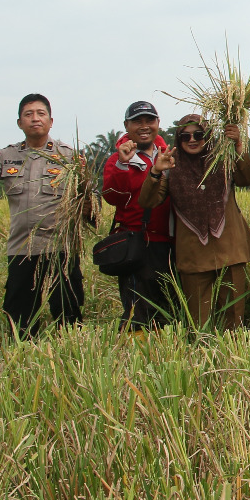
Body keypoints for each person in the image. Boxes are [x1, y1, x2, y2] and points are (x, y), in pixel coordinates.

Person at [0, 94, 90, 334]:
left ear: (51, 121)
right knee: (19, 315)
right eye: (28, 115)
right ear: (19, 123)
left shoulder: (69, 157)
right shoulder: (7, 156)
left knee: (68, 310)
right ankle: (22, 353)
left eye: (40, 114)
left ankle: (72, 352)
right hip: (22, 247)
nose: (35, 119)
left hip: (60, 246)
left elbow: (86, 203)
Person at [141, 115, 250, 330]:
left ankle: (233, 359)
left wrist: (238, 148)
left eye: (199, 134)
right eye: (185, 136)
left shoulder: (222, 160)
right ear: (178, 139)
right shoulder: (171, 167)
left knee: (233, 318)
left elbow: (247, 179)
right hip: (193, 256)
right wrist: (156, 172)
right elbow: (148, 201)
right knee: (198, 322)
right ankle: (201, 360)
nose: (192, 139)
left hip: (230, 249)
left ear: (209, 136)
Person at [101, 100, 175, 330]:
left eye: (149, 120)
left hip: (172, 243)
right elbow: (112, 196)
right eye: (137, 121)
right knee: (139, 309)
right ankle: (136, 356)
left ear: (158, 123)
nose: (144, 126)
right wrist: (123, 164)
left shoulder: (169, 154)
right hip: (139, 243)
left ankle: (167, 352)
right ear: (126, 126)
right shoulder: (119, 159)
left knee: (170, 305)